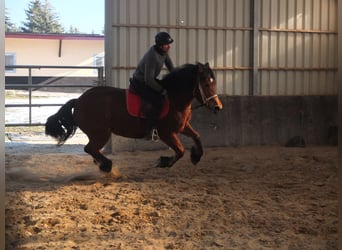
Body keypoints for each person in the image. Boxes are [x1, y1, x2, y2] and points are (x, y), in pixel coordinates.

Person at [129, 31, 175, 140]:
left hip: (149, 80)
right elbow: (148, 80)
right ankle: (149, 130)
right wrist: (162, 91)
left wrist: (178, 78)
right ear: (160, 45)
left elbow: (171, 68)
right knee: (158, 101)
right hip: (140, 82)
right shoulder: (152, 56)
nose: (169, 47)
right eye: (166, 44)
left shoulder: (164, 53)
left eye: (169, 44)